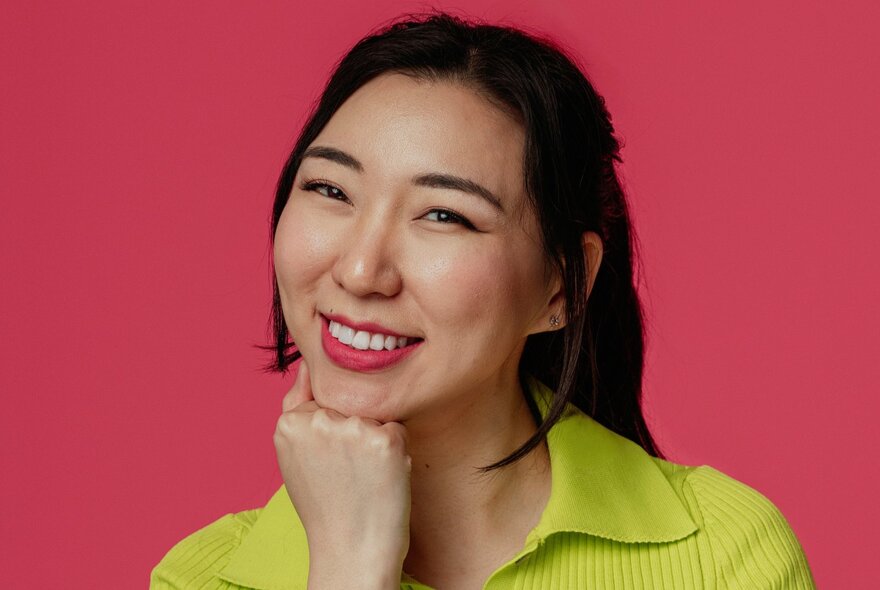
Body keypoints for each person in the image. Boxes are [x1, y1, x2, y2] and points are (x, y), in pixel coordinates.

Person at [150, 12, 816, 590]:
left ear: (560, 286)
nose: (359, 270)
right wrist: (349, 566)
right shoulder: (202, 576)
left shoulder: (722, 558)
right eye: (330, 190)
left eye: (443, 215)